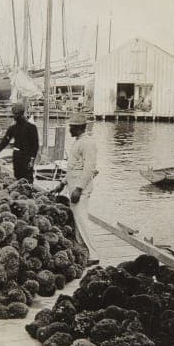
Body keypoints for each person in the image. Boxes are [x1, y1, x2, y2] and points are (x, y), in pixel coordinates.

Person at [58, 112, 100, 263]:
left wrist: (79, 189)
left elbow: (89, 168)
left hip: (80, 189)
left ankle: (94, 255)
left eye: (71, 127)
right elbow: (73, 168)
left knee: (82, 220)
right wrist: (62, 183)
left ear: (79, 128)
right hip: (73, 185)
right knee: (77, 219)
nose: (69, 129)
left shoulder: (88, 143)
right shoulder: (77, 141)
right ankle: (81, 249)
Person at [0, 102, 40, 182]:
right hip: (17, 157)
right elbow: (4, 142)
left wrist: (32, 159)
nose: (14, 116)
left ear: (21, 114)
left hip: (26, 158)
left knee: (28, 179)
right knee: (17, 178)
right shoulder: (13, 128)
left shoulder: (31, 128)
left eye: (15, 114)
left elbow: (35, 145)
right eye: (13, 114)